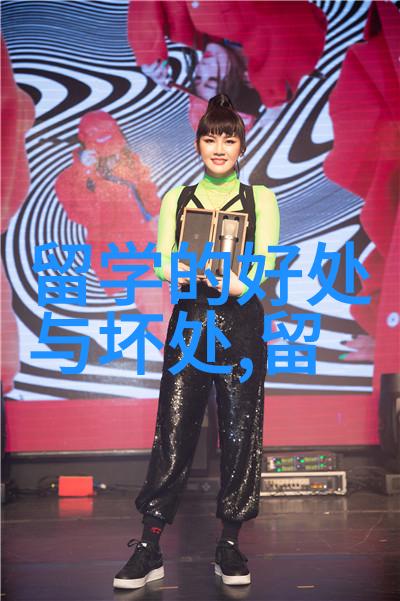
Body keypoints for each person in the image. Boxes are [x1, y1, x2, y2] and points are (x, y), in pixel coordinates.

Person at [113, 93, 280, 589]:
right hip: (191, 322)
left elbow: (265, 262)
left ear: (241, 147)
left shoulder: (260, 198)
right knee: (174, 429)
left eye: (228, 139)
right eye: (211, 138)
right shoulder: (178, 198)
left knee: (240, 431)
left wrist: (232, 281)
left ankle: (229, 543)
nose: (219, 148)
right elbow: (163, 261)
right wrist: (188, 272)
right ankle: (149, 546)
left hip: (239, 325)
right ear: (199, 145)